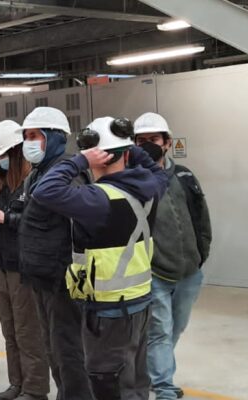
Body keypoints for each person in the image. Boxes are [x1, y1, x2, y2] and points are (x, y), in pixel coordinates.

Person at [32, 116, 168, 400]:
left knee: (108, 384)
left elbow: (45, 191)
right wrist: (128, 145)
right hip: (141, 302)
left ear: (98, 156)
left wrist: (80, 160)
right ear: (128, 152)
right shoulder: (151, 188)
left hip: (108, 313)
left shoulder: (97, 199)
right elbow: (156, 169)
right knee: (135, 380)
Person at [15, 107, 93, 400]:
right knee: (53, 349)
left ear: (56, 138)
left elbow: (80, 230)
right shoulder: (37, 174)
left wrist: (75, 276)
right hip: (41, 276)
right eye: (26, 136)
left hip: (63, 280)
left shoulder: (68, 175)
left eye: (34, 136)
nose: (28, 143)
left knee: (69, 351)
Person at [133, 112, 212, 400]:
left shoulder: (184, 175)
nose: (147, 146)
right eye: (140, 141)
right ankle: (165, 387)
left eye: (153, 140)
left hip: (189, 272)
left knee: (176, 328)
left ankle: (153, 371)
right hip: (155, 272)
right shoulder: (134, 180)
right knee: (160, 331)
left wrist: (201, 255)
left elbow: (201, 218)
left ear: (167, 143)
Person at [0, 121, 50, 400]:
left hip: (24, 266)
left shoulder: (34, 181)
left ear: (17, 151)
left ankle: (35, 389)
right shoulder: (3, 184)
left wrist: (6, 218)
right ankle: (16, 383)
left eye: (3, 155)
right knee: (9, 328)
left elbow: (38, 221)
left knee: (27, 329)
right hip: (2, 264)